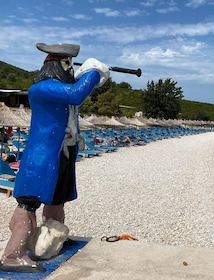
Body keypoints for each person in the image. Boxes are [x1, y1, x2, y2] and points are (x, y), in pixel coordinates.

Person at [0, 43, 110, 273]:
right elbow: (76, 94)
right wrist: (92, 72)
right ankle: (13, 254)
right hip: (42, 157)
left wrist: (89, 78)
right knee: (28, 203)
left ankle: (54, 237)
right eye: (68, 65)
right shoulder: (42, 87)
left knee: (57, 198)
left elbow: (75, 95)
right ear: (58, 66)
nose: (71, 70)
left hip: (63, 151)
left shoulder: (59, 87)